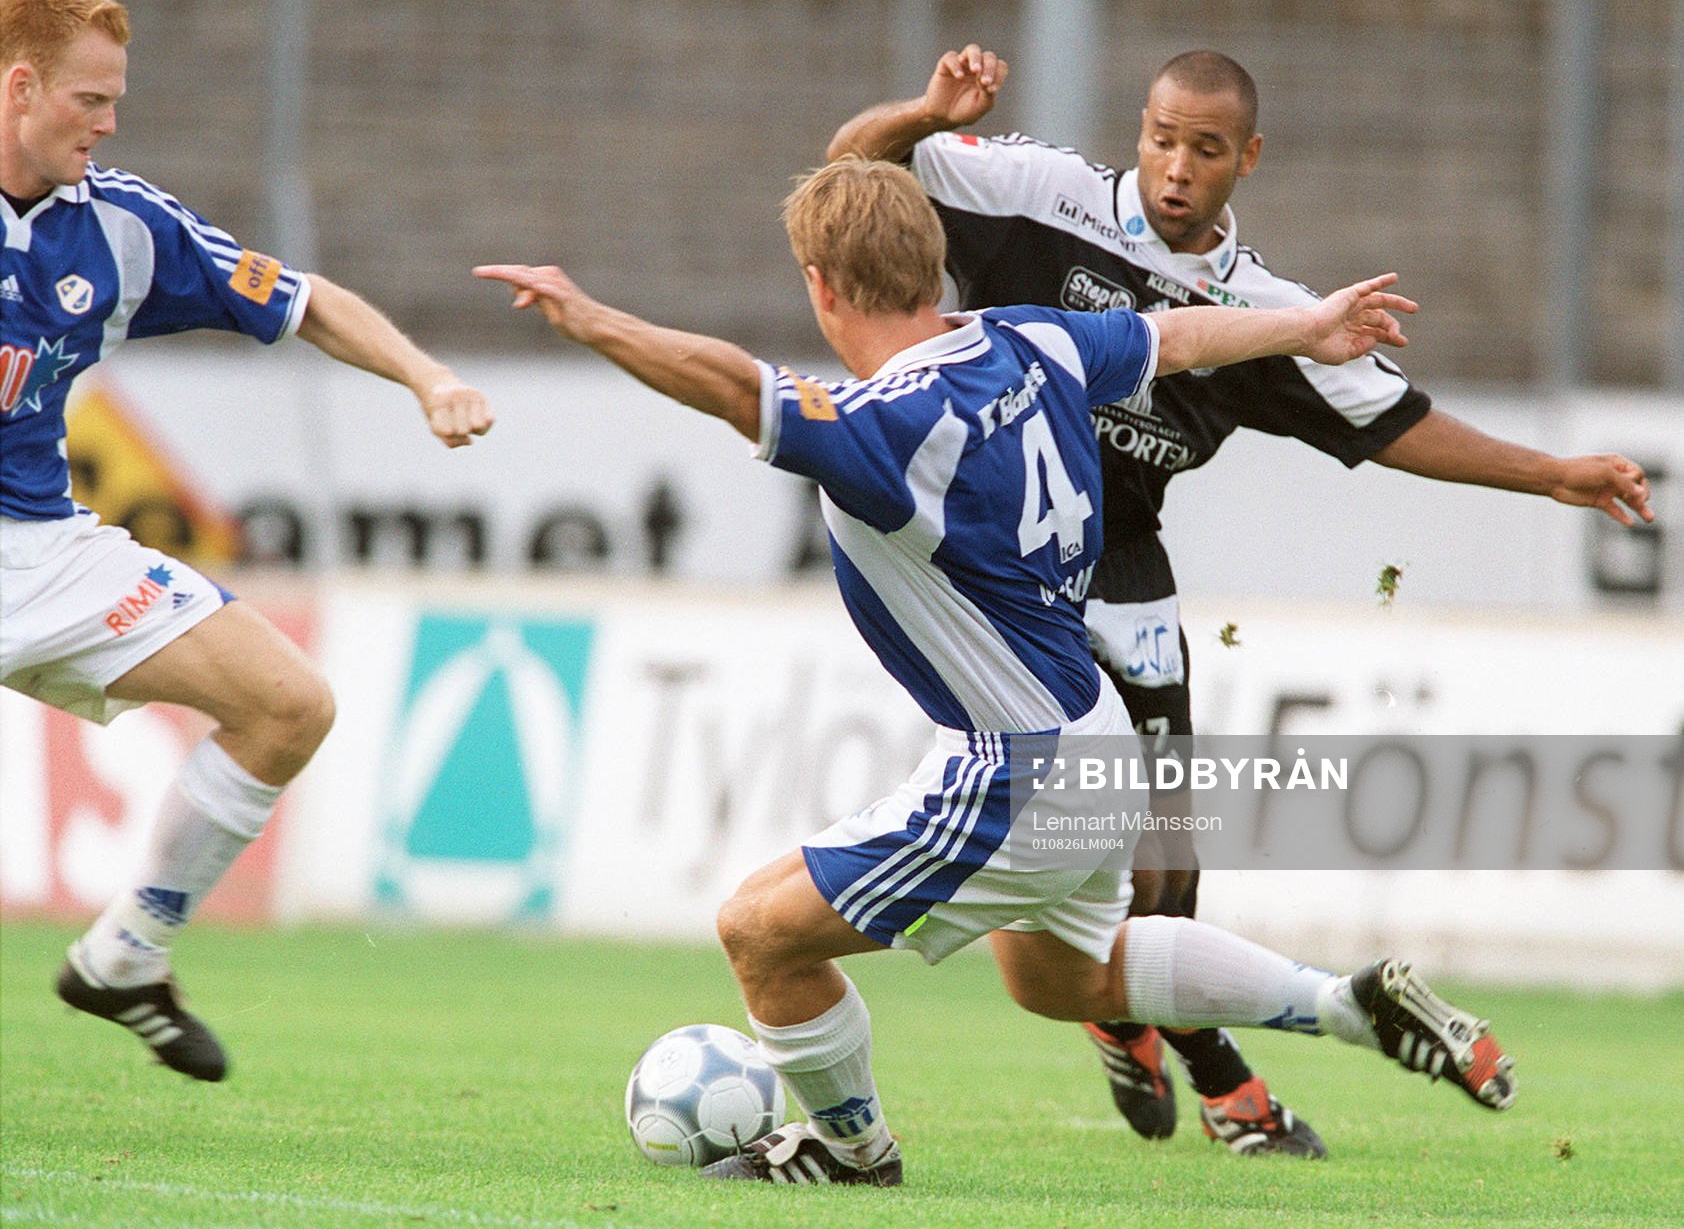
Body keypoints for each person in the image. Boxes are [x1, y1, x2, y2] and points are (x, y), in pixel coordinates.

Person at [476, 156, 1514, 1187]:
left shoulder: (886, 429)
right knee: (1070, 976)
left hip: (1016, 769)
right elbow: (1176, 334)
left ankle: (850, 1153)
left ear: (821, 286)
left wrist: (594, 318)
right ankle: (1346, 1002)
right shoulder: (1034, 339)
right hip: (1093, 723)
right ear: (934, 263)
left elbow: (728, 384)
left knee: (759, 932)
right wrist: (1303, 324)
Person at [828, 44, 1653, 1158]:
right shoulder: (1037, 194)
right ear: (1139, 132)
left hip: (1121, 558)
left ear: (1246, 159)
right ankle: (1227, 1084)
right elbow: (849, 184)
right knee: (1080, 831)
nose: (1176, 166)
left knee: (1166, 860)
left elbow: (1396, 422)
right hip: (1007, 560)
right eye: (1162, 139)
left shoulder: (1268, 311)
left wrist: (1552, 474)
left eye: (1205, 150)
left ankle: (1131, 1018)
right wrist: (927, 111)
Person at [0, 0, 494, 1081]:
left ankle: (125, 955)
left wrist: (424, 373)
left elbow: (303, 297)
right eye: (90, 99)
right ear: (22, 85)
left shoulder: (120, 228)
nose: (109, 121)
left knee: (288, 703)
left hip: (37, 544)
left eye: (116, 98)